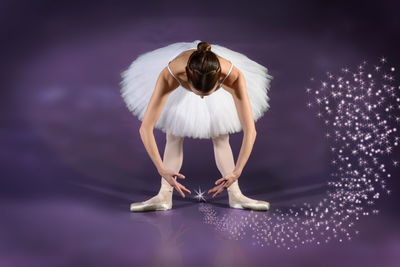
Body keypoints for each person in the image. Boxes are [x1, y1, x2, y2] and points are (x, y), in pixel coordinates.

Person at [120, 40, 273, 212]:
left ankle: (236, 195)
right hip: (180, 75)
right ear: (186, 77)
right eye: (198, 93)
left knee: (221, 134)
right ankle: (164, 195)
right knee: (173, 133)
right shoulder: (170, 75)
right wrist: (161, 169)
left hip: (212, 74)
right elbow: (145, 129)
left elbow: (250, 132)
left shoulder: (233, 77)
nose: (201, 99)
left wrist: (237, 172)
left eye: (207, 94)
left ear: (219, 81)